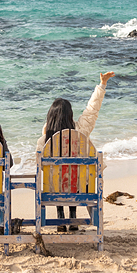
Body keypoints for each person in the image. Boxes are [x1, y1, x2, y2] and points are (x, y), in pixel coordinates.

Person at [37, 71, 115, 231]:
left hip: (53, 188)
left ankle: (60, 215)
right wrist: (102, 84)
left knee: (57, 179)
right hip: (78, 186)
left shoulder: (44, 141)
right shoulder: (81, 131)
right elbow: (92, 110)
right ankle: (72, 216)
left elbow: (38, 166)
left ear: (50, 117)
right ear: (70, 115)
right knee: (73, 178)